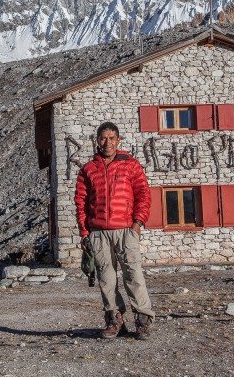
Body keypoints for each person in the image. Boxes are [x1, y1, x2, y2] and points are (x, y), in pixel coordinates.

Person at [74, 122, 155, 340]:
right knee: (106, 278)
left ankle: (143, 321)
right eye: (103, 138)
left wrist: (137, 225)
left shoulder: (131, 165)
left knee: (134, 275)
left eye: (111, 138)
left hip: (126, 230)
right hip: (98, 233)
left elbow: (143, 196)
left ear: (118, 140)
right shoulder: (88, 169)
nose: (107, 142)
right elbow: (80, 203)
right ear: (97, 141)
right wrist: (84, 233)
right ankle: (114, 320)